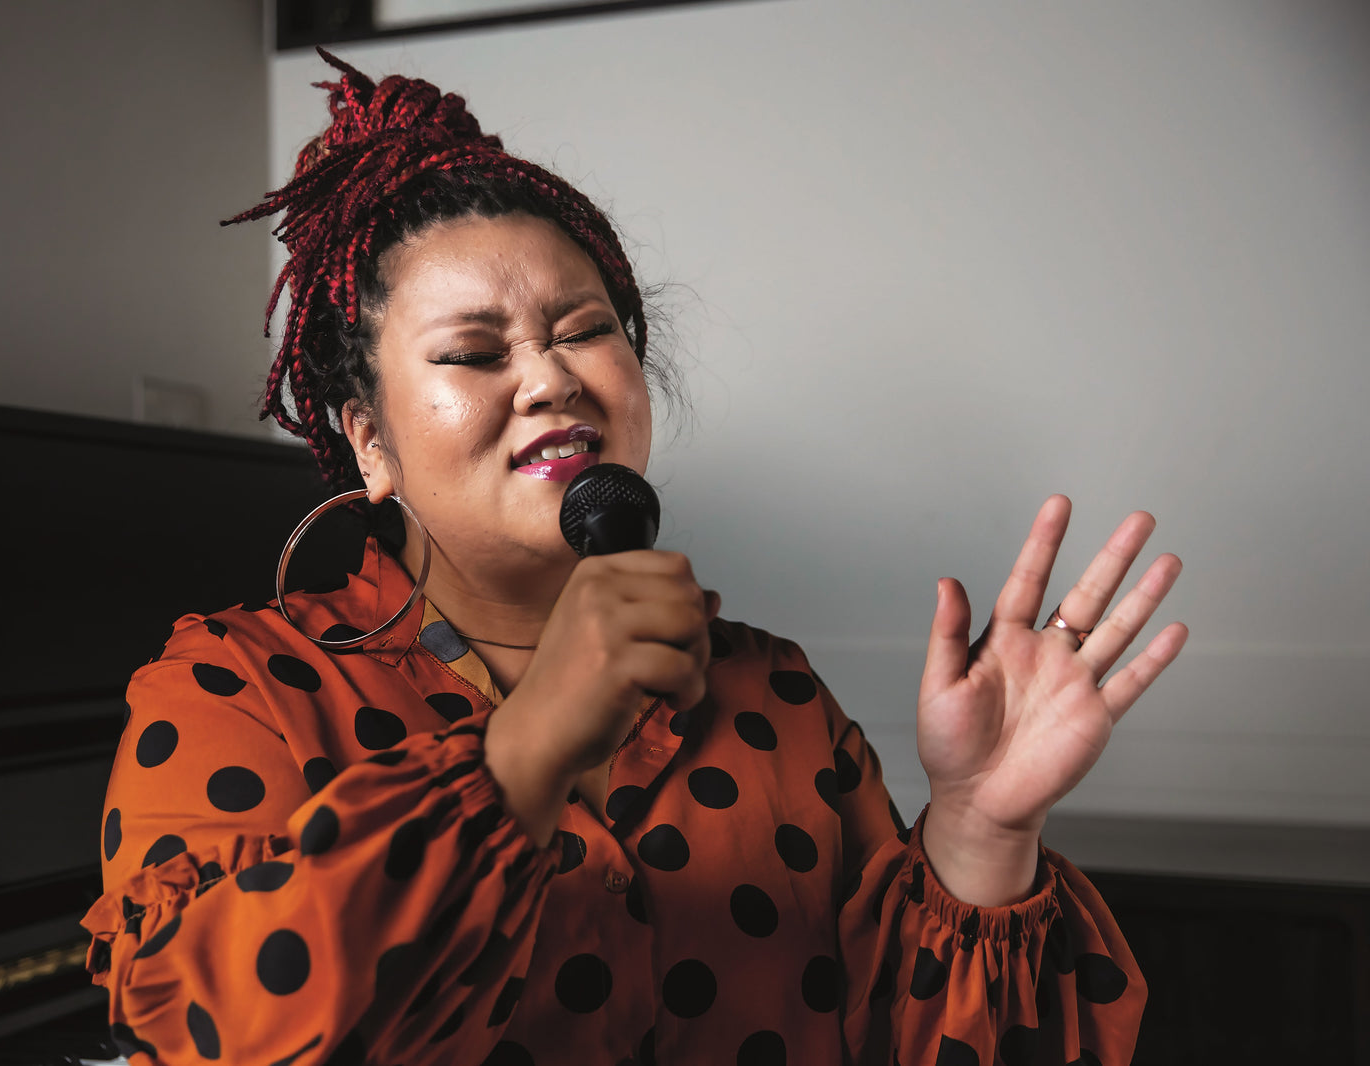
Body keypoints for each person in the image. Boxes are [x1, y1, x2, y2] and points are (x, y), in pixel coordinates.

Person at [82, 52, 1187, 1066]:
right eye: (473, 352)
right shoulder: (241, 688)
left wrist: (981, 833)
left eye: (585, 330)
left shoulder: (778, 693)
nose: (552, 378)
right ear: (367, 440)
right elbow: (209, 1027)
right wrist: (521, 750)